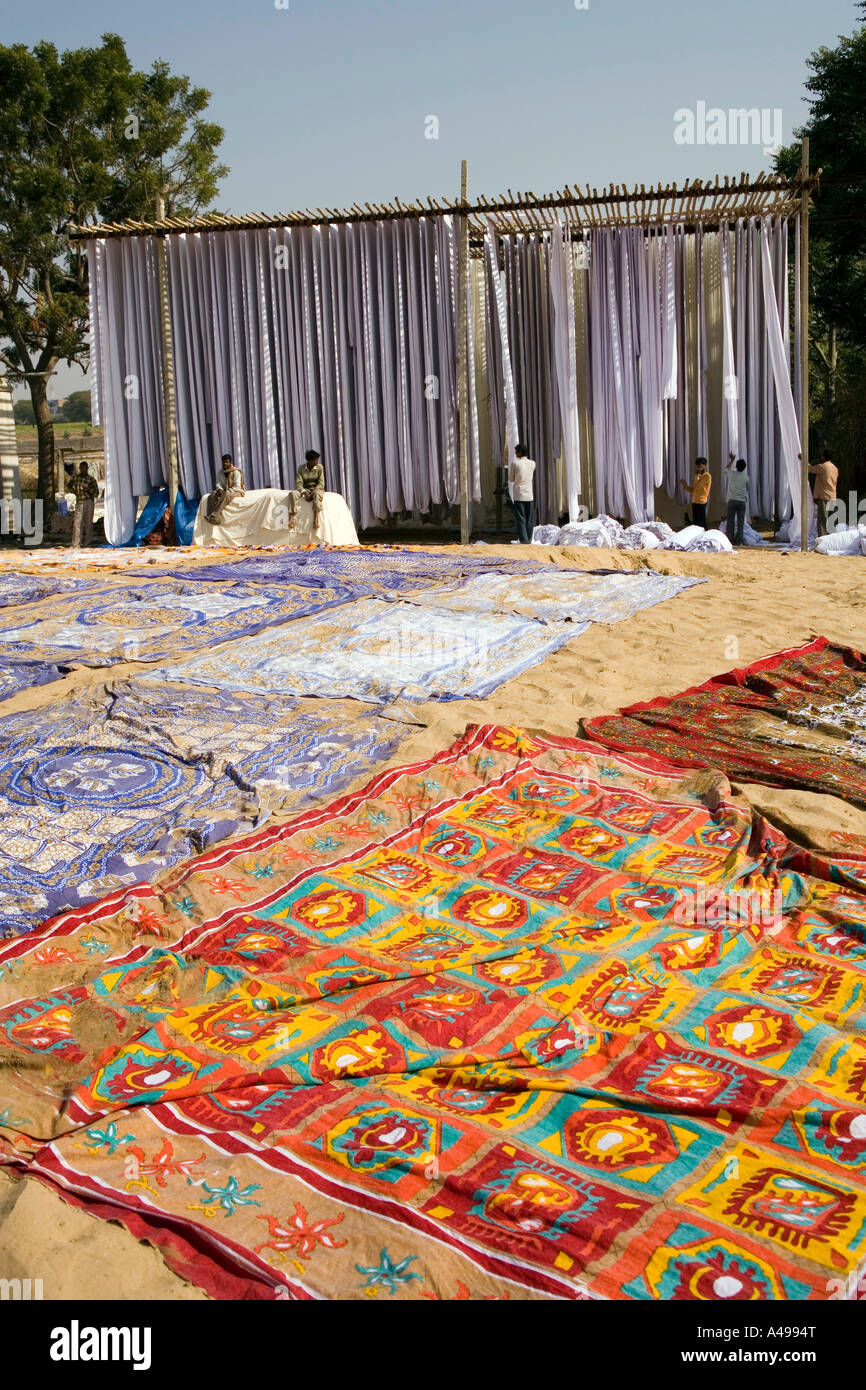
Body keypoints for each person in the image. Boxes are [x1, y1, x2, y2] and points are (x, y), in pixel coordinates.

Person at [205, 453, 245, 524]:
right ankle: (210, 515)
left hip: (237, 491)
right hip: (225, 491)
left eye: (226, 462)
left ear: (230, 463)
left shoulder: (236, 472)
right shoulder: (220, 473)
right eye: (223, 462)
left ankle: (215, 516)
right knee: (213, 494)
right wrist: (220, 490)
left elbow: (237, 486)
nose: (224, 464)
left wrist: (228, 491)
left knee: (226, 496)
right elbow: (218, 484)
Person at [508, 443, 536, 544]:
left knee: (520, 518)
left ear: (520, 452)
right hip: (529, 495)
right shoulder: (532, 463)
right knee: (529, 519)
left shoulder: (515, 464)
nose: (515, 453)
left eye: (516, 451)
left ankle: (524, 541)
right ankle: (528, 539)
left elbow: (511, 479)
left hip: (519, 495)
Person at [291, 449, 326, 529]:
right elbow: (299, 483)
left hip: (316, 489)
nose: (317, 462)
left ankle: (316, 518)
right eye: (315, 460)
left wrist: (315, 490)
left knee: (317, 495)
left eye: (317, 460)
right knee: (293, 494)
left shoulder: (320, 468)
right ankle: (292, 517)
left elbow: (321, 483)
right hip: (305, 489)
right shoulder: (301, 468)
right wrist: (304, 492)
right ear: (309, 461)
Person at [69, 460, 99, 548]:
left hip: (89, 501)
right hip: (79, 501)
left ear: (87, 469)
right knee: (77, 523)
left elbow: (96, 493)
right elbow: (69, 486)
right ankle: (76, 543)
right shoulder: (75, 478)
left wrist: (88, 488)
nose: (83, 470)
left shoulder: (91, 479)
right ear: (79, 468)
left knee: (88, 522)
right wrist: (74, 490)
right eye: (82, 468)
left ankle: (87, 543)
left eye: (85, 468)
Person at [808, 450, 839, 537]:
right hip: (832, 496)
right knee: (829, 520)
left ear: (824, 457)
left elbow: (809, 469)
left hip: (824, 497)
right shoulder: (835, 468)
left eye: (822, 456)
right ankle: (829, 539)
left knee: (822, 520)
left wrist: (803, 459)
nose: (821, 457)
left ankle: (822, 539)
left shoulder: (822, 467)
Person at [725, 452, 749, 546]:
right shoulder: (746, 477)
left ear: (736, 466)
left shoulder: (732, 474)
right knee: (741, 522)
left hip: (732, 500)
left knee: (730, 520)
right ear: (744, 467)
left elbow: (726, 468)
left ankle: (730, 539)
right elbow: (747, 489)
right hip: (742, 501)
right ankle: (739, 539)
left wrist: (731, 460)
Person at [680, 457, 711, 528]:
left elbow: (698, 487)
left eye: (700, 466)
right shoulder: (697, 476)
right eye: (697, 466)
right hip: (694, 501)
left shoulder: (707, 476)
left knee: (701, 522)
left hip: (701, 502)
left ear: (704, 466)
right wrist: (685, 485)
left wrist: (697, 475)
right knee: (696, 523)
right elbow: (693, 491)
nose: (698, 467)